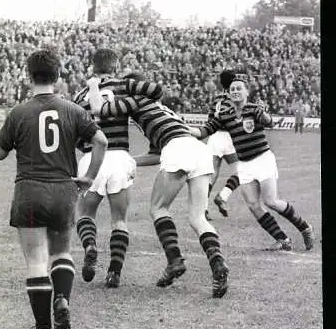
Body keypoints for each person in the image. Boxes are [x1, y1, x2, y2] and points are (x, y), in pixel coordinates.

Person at [0, 48, 108, 329]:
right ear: (58, 76)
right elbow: (100, 140)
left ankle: (43, 328)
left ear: (29, 76)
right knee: (61, 253)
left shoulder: (19, 112)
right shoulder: (72, 109)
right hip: (63, 189)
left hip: (29, 190)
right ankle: (63, 300)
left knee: (35, 260)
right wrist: (88, 177)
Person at [88, 79, 229, 299]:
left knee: (158, 208)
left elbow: (98, 109)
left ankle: (174, 261)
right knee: (198, 217)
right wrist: (130, 159)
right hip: (197, 149)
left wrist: (94, 85)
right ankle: (217, 262)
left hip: (177, 147)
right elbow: (157, 153)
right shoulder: (162, 109)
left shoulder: (134, 101)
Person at [189, 75, 315, 252]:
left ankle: (305, 227)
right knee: (254, 205)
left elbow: (269, 122)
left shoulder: (254, 109)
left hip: (262, 159)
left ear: (247, 92)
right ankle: (282, 239)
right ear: (229, 93)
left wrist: (263, 113)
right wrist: (185, 128)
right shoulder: (225, 114)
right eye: (232, 89)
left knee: (271, 201)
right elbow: (205, 131)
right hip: (244, 164)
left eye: (239, 88)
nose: (235, 91)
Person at [74, 49, 163, 288]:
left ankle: (90, 245)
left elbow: (72, 130)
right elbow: (156, 91)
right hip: (120, 157)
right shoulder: (124, 85)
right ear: (115, 66)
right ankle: (114, 271)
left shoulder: (81, 93)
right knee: (119, 219)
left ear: (93, 67)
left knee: (84, 214)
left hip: (92, 158)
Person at [205, 70, 241, 219]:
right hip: (229, 137)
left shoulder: (217, 99)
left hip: (214, 137)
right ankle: (223, 195)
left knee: (211, 176)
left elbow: (210, 119)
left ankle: (203, 209)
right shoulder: (236, 98)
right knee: (242, 171)